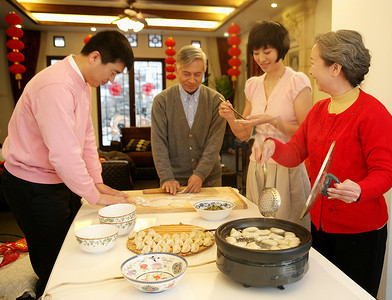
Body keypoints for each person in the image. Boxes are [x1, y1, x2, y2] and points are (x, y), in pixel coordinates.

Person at [254, 30, 392, 297]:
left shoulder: (374, 114)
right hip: (319, 225)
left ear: (335, 68)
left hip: (360, 232)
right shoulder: (319, 110)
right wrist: (273, 146)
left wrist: (360, 190)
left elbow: (385, 173)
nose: (310, 70)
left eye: (313, 62)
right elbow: (296, 151)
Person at [1, 30, 134, 298]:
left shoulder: (81, 83)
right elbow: (63, 154)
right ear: (95, 57)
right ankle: (49, 291)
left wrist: (96, 181)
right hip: (31, 182)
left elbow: (85, 136)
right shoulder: (57, 85)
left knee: (68, 244)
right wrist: (94, 195)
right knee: (52, 255)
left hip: (55, 177)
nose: (110, 81)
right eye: (113, 73)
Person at [219, 20, 312, 227]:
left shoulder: (297, 81)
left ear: (281, 49)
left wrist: (272, 120)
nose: (261, 59)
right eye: (255, 52)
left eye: (267, 52)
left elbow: (307, 133)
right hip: (257, 165)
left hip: (288, 167)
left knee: (288, 230)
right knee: (258, 227)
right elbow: (243, 134)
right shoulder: (253, 85)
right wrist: (230, 118)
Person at [151, 45, 226, 195]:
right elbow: (159, 142)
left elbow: (214, 143)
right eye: (186, 74)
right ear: (177, 70)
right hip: (173, 181)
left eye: (198, 74)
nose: (192, 80)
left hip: (209, 180)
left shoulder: (216, 101)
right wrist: (166, 177)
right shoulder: (162, 101)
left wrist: (200, 174)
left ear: (204, 72)